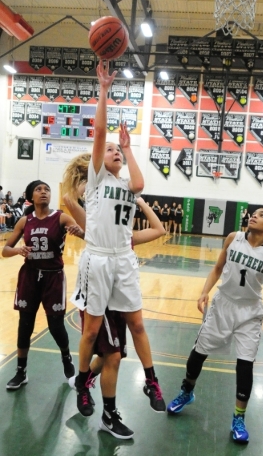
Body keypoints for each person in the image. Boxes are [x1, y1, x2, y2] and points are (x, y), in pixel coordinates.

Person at [69, 61, 166, 427]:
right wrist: (104, 91)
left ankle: (152, 381)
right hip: (98, 259)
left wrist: (129, 147)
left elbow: (139, 185)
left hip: (124, 259)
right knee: (92, 331)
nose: (114, 152)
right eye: (111, 150)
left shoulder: (126, 184)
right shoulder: (93, 181)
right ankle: (82, 382)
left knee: (138, 325)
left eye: (118, 152)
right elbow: (98, 132)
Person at [63, 177, 165, 439]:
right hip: (101, 294)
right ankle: (106, 410)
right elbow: (76, 205)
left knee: (113, 354)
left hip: (121, 296)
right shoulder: (100, 229)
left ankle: (82, 381)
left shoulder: (129, 239)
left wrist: (140, 201)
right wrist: (79, 215)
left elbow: (160, 229)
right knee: (114, 356)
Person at [167, 207, 263, 444]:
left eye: (262, 215)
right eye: (254, 213)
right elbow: (217, 268)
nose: (254, 215)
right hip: (222, 306)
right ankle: (186, 392)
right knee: (197, 355)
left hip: (250, 313)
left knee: (245, 366)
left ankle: (239, 418)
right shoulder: (233, 238)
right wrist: (204, 292)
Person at [2, 179, 85, 390]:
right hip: (30, 276)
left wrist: (80, 232)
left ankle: (66, 357)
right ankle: (21, 372)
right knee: (25, 325)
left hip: (53, 277)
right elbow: (5, 250)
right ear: (32, 196)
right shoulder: (24, 221)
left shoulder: (60, 217)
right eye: (39, 189)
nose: (44, 192)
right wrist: (17, 251)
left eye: (47, 189)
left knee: (56, 325)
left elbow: (87, 236)